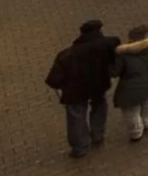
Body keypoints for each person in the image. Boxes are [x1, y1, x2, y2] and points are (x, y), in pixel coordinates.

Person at [45, 20, 121, 158]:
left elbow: (54, 80)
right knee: (99, 105)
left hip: (75, 91)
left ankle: (80, 147)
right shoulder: (109, 43)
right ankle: (97, 135)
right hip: (99, 84)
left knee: (76, 117)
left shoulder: (67, 54)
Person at [110, 25, 148, 141]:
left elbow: (114, 72)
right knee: (147, 101)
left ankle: (136, 133)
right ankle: (147, 122)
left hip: (131, 88)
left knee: (131, 111)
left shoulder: (123, 54)